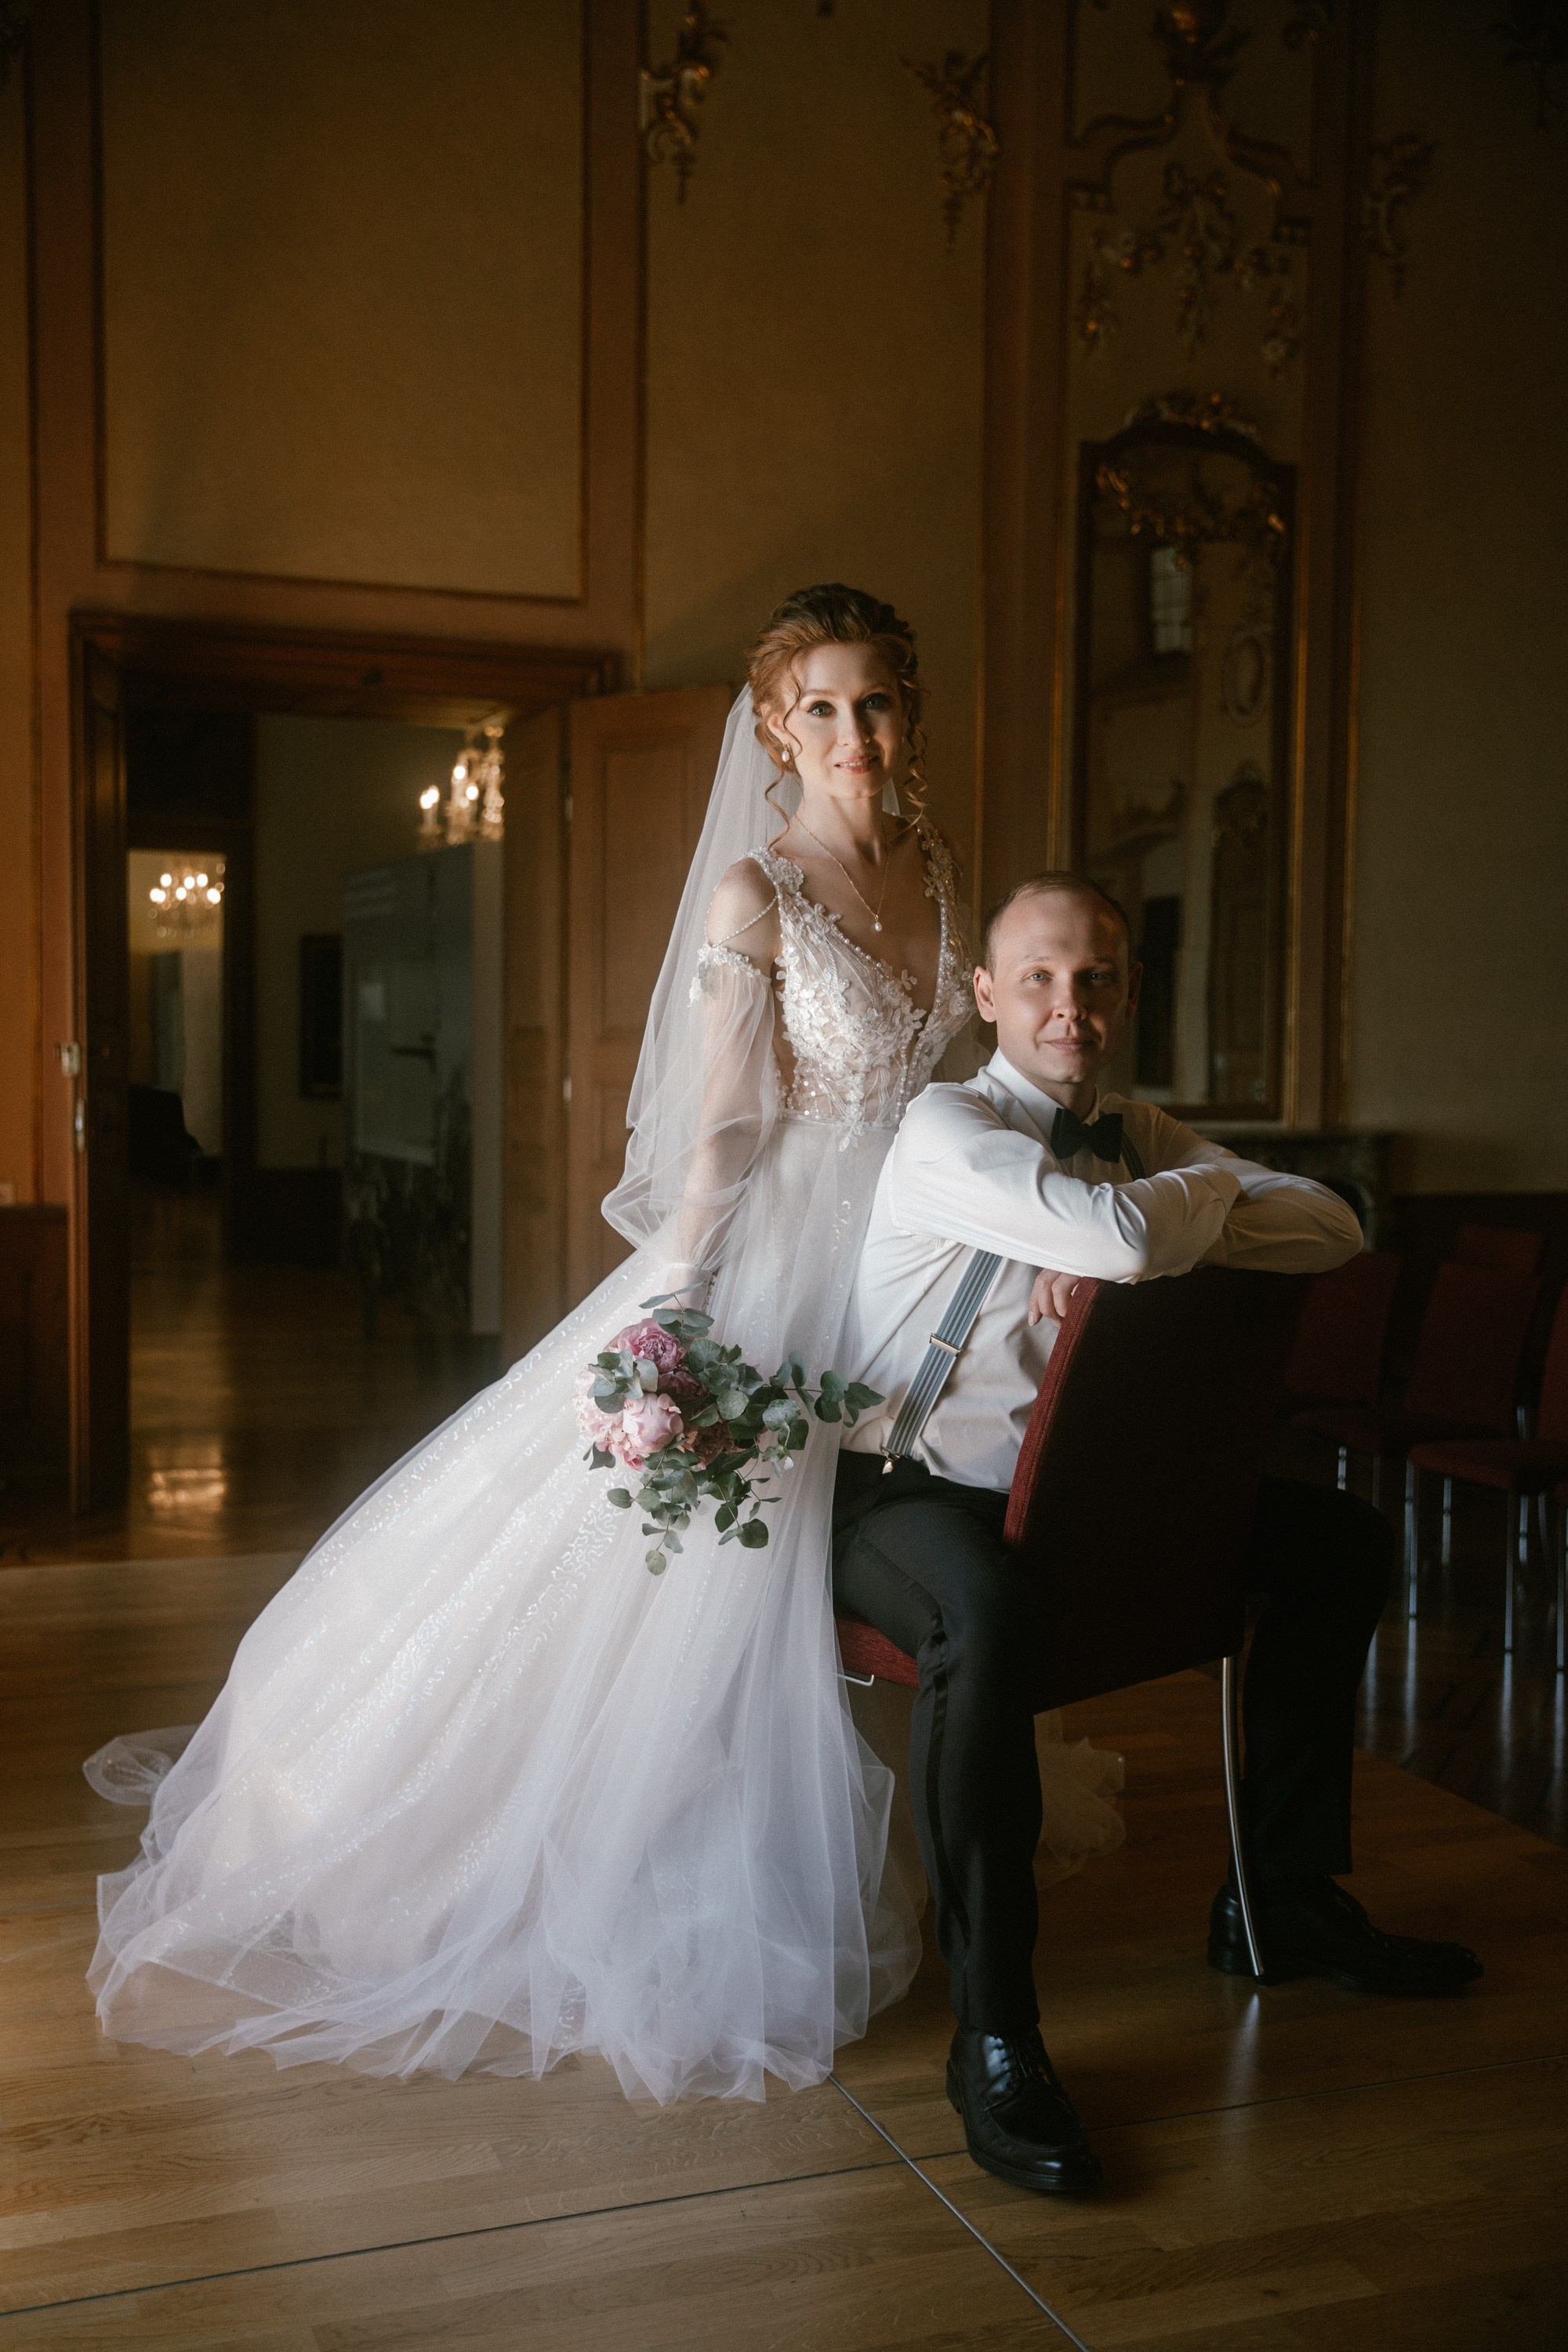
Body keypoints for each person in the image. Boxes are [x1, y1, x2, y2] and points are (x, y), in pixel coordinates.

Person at [85, 586, 1122, 2105]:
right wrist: (681, 1298)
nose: (853, 734)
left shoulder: (948, 870)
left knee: (886, 1534)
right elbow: (723, 1119)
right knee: (694, 1581)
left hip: (906, 1252)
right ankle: (652, 1867)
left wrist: (1026, 1236)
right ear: (776, 727)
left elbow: (967, 1095)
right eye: (821, 709)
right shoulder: (755, 890)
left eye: (877, 702)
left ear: (913, 712)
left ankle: (902, 1846)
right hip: (772, 1254)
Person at [833, 873, 1483, 2195]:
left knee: (1338, 1545)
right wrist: (1172, 1218)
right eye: (1040, 980)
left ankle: (1279, 1903)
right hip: (906, 1493)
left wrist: (1163, 1212)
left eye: (1096, 980)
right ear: (988, 998)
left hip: (1085, 1495)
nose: (1069, 1005)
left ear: (1126, 991)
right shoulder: (944, 1131)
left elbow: (1336, 1220)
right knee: (988, 1618)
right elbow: (1123, 1238)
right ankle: (998, 2029)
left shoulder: (1139, 1130)